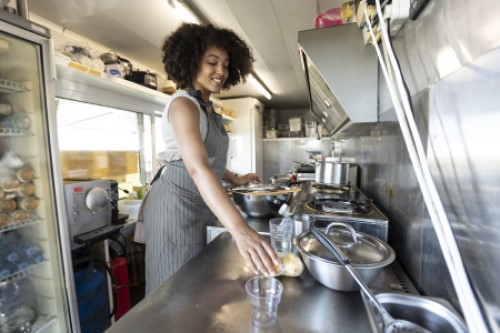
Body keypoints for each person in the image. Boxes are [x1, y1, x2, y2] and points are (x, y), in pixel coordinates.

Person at [143, 23, 279, 295]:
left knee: (196, 279)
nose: (221, 71)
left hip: (198, 203)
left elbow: (207, 157)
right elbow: (196, 166)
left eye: (226, 65)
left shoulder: (207, 107)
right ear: (191, 62)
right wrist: (241, 230)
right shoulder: (183, 105)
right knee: (172, 284)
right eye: (212, 62)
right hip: (175, 205)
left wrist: (234, 178)